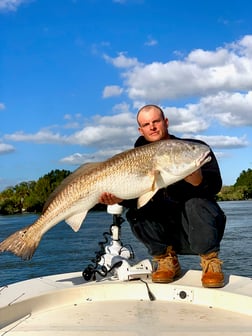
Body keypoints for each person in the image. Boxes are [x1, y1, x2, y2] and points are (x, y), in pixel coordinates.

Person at [99, 104, 226, 288]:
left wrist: (199, 181)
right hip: (165, 235)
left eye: (156, 121)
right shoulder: (133, 159)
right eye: (146, 124)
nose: (152, 126)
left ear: (166, 122)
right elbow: (136, 197)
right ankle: (166, 260)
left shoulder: (192, 148)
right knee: (136, 211)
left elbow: (215, 185)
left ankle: (210, 262)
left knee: (197, 202)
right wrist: (119, 199)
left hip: (199, 230)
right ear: (140, 129)